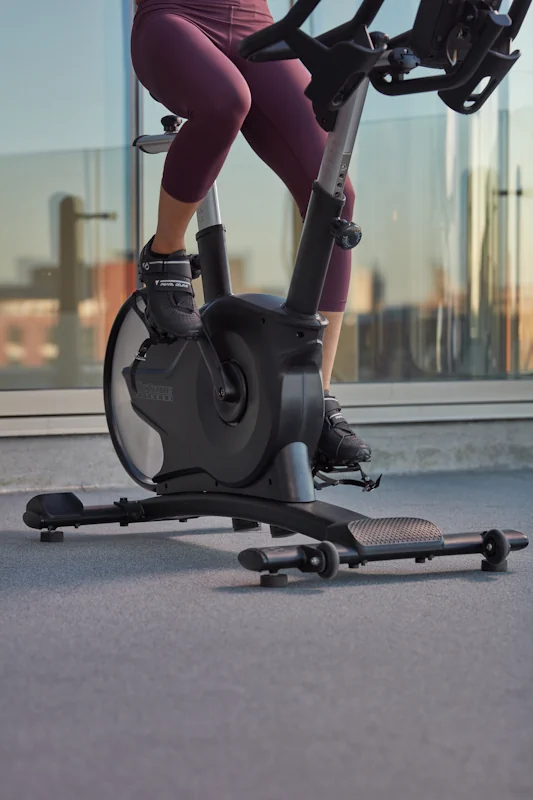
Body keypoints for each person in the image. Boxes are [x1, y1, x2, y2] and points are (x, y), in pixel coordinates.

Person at [131, 0, 371, 466]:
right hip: (171, 16)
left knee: (334, 193)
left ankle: (315, 398)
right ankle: (164, 254)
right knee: (225, 100)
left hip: (253, 23)